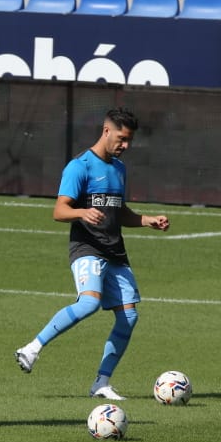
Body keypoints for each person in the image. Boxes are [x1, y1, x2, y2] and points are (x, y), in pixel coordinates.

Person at [14, 108, 170, 400]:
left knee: (129, 316)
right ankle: (32, 348)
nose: (126, 146)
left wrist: (146, 220)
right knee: (89, 303)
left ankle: (101, 383)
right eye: (122, 139)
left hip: (115, 250)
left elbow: (118, 211)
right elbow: (59, 211)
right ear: (106, 131)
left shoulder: (119, 169)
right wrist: (82, 212)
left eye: (130, 141)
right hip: (86, 248)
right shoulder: (80, 166)